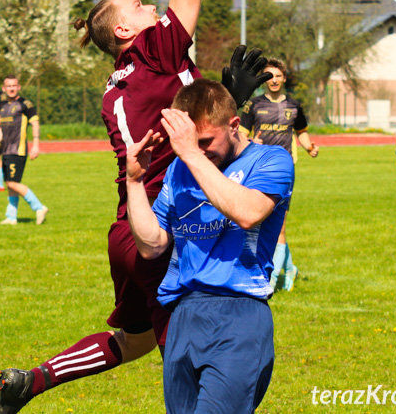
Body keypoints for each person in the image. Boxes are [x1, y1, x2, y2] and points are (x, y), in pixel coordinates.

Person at [0, 0, 270, 411]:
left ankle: (31, 382)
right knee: (200, 357)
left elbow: (175, 119)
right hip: (169, 224)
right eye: (138, 5)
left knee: (134, 341)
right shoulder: (154, 53)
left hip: (130, 226)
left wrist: (219, 99)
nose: (150, 7)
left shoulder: (125, 79)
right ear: (125, 33)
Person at [125, 79, 294, 414]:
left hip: (239, 315)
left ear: (234, 126)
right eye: (191, 144)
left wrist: (188, 151)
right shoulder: (180, 169)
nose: (198, 151)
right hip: (184, 316)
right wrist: (134, 182)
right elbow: (152, 245)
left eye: (205, 141)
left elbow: (248, 213)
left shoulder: (271, 160)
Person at [239, 58, 318, 292]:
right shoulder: (252, 105)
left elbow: (302, 132)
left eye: (277, 75)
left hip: (284, 171)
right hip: (258, 167)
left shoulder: (294, 106)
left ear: (284, 78)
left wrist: (309, 147)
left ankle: (269, 281)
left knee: (279, 225)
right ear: (263, 80)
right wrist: (253, 142)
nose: (273, 80)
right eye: (269, 76)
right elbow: (242, 135)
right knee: (261, 222)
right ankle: (290, 267)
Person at [0, 75, 48, 225]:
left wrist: (36, 144)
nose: (12, 88)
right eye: (9, 86)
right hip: (6, 151)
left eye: (14, 85)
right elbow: (3, 128)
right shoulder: (3, 106)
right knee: (10, 184)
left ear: (19, 87)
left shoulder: (25, 104)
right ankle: (11, 217)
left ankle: (39, 207)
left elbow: (35, 124)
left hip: (18, 151)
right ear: (3, 88)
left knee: (13, 183)